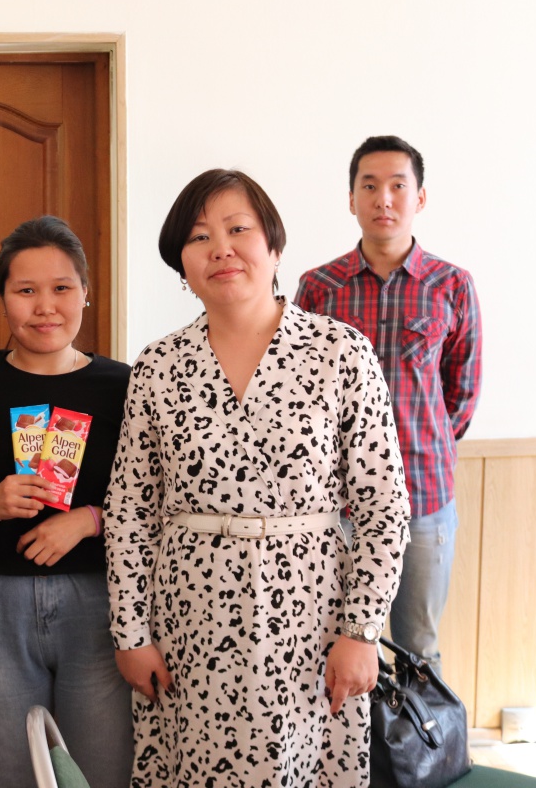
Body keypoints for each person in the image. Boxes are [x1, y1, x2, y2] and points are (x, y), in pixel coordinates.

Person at [104, 169, 411, 787]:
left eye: (237, 229)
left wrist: (361, 631)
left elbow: (384, 508)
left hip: (311, 619)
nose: (220, 248)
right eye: (199, 237)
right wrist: (131, 634)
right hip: (189, 621)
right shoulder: (159, 366)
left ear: (273, 244)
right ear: (182, 263)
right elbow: (130, 510)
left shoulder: (340, 353)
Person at [0, 216, 132, 788]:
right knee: (9, 775)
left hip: (100, 602)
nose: (45, 306)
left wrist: (88, 520)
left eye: (62, 288)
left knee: (98, 775)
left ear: (86, 294)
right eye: (25, 290)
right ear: (2, 299)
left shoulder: (124, 386)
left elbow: (153, 506)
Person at [295, 135, 482, 671]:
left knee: (418, 647)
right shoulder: (319, 288)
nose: (384, 199)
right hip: (336, 505)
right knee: (337, 644)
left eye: (399, 186)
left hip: (425, 497)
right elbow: (302, 393)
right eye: (370, 186)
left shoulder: (452, 285)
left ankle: (424, 734)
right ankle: (353, 735)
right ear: (351, 198)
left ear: (419, 197)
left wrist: (422, 442)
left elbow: (461, 394)